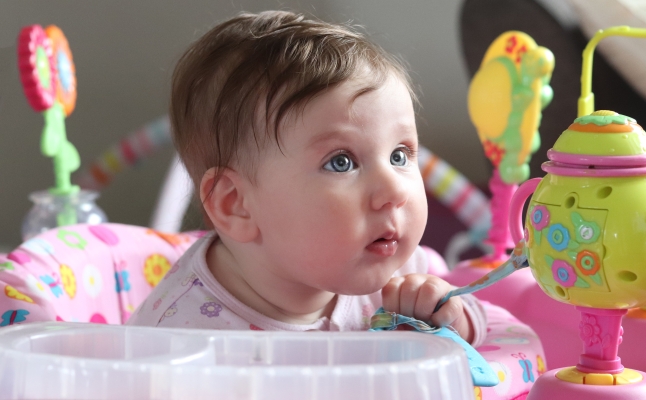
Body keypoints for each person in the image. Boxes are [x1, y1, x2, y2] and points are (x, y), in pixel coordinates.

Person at [128, 10, 486, 346]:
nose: (395, 190)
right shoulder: (179, 339)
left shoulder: (399, 274)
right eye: (341, 162)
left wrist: (454, 319)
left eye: (398, 156)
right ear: (236, 204)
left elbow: (495, 326)